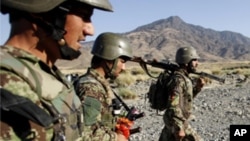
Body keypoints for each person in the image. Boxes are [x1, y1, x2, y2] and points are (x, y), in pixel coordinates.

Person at [0, 0, 113, 140]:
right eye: (84, 16)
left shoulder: (46, 73)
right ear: (39, 13)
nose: (90, 30)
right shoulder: (7, 81)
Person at [75, 32, 133, 141]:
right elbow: (87, 134)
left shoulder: (99, 84)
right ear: (109, 57)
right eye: (122, 61)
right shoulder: (91, 88)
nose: (124, 68)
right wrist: (116, 138)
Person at [159, 46, 205, 141]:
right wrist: (179, 128)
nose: (197, 63)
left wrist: (197, 88)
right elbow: (173, 105)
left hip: (173, 121)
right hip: (176, 122)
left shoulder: (183, 78)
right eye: (194, 60)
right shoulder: (179, 80)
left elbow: (185, 99)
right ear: (187, 61)